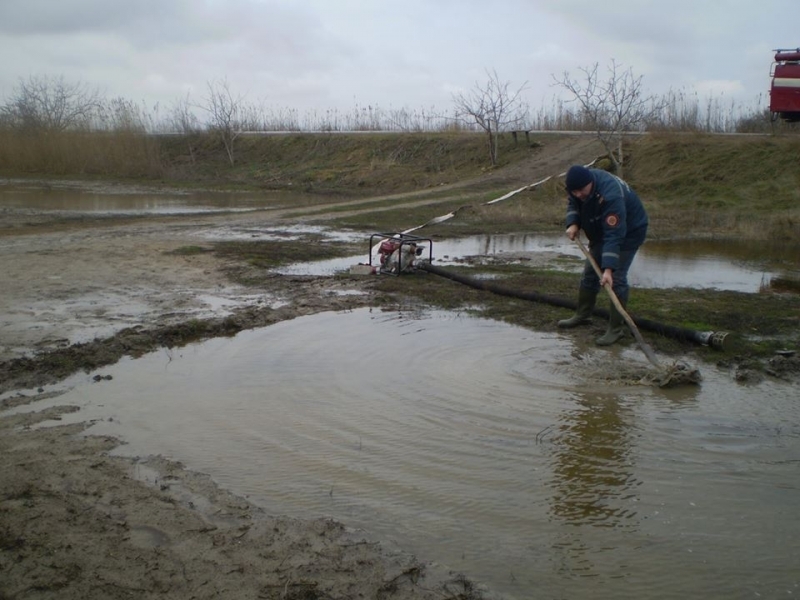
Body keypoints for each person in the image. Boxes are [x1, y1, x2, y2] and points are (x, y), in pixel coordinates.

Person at [557, 164, 648, 346]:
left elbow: (614, 236)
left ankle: (616, 329)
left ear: (590, 183)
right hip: (600, 230)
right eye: (574, 191)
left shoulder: (611, 195)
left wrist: (608, 269)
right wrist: (573, 222)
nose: (579, 195)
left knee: (616, 278)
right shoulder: (579, 188)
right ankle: (583, 315)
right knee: (591, 272)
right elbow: (574, 203)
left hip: (628, 233)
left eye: (582, 191)